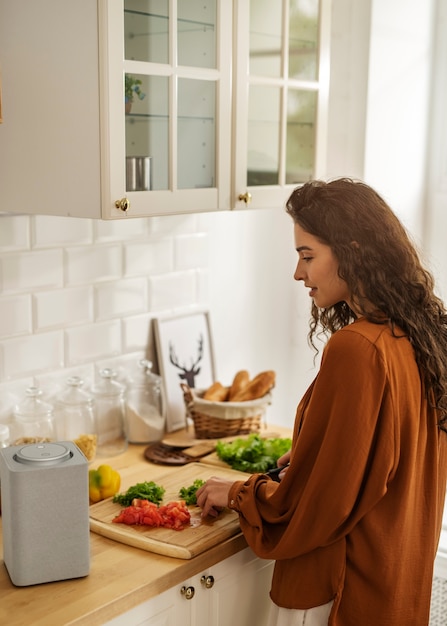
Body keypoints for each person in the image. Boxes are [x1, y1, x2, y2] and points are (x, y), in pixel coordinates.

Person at [196, 178, 447, 626]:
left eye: (307, 256)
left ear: (352, 250)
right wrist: (316, 455)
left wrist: (239, 492)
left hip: (336, 590)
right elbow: (387, 460)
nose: (298, 273)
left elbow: (320, 506)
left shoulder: (358, 347)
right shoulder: (421, 336)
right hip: (395, 585)